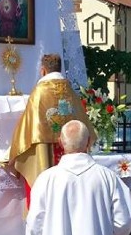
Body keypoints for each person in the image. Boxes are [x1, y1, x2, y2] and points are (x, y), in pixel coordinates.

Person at [7, 54, 94, 201]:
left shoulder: (39, 93)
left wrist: (14, 153)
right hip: (70, 150)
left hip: (45, 154)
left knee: (45, 192)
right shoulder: (71, 92)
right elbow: (84, 125)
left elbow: (27, 129)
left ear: (43, 71)